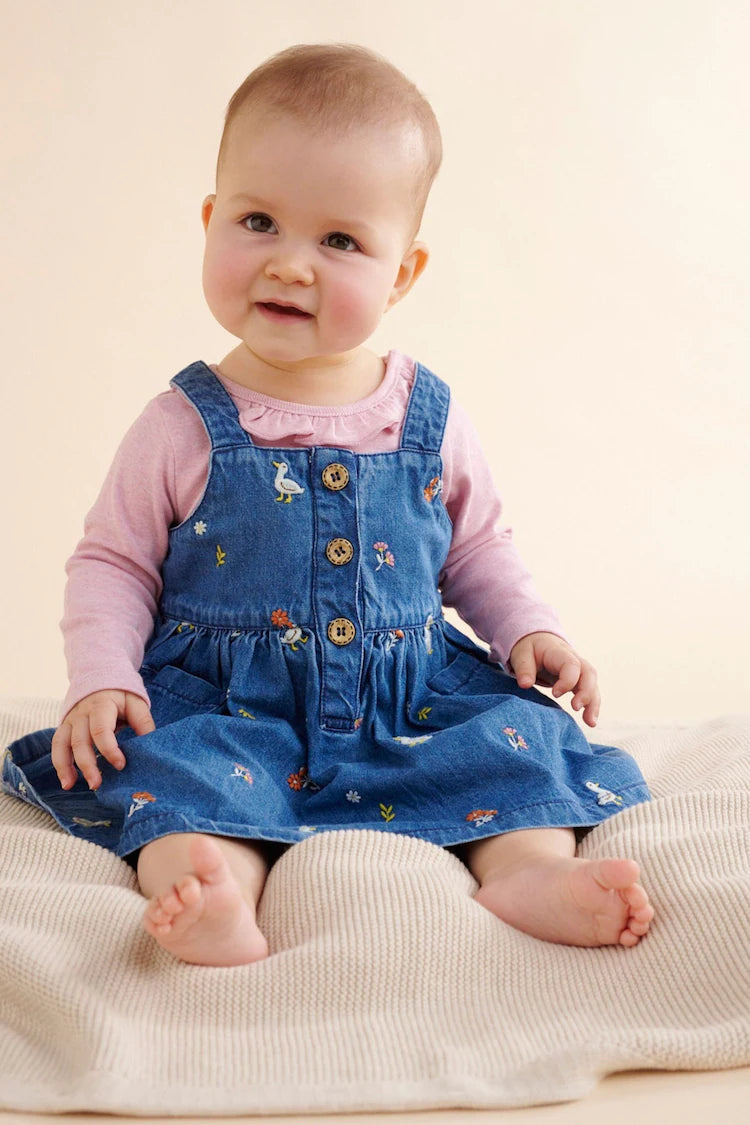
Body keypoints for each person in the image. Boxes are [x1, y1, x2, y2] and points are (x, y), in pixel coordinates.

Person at [3, 43, 654, 966]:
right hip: (234, 706)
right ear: (208, 221)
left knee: (519, 748)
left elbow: (477, 549)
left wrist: (528, 629)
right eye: (259, 220)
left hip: (408, 695)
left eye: (340, 240)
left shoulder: (429, 417)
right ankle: (212, 886)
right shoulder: (183, 423)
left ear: (403, 273)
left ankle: (527, 871)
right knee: (182, 780)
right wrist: (104, 676)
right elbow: (113, 561)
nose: (291, 266)